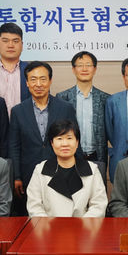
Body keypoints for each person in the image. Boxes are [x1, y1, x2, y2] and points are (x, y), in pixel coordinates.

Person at [9, 61, 78, 216]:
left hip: (61, 171)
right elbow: (14, 146)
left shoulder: (65, 108)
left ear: (50, 80)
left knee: (61, 215)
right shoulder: (18, 111)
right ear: (27, 83)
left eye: (43, 79)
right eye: (33, 79)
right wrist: (17, 176)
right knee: (32, 216)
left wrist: (76, 171)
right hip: (28, 173)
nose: (38, 84)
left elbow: (73, 140)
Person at [26, 120, 107, 217]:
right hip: (49, 225)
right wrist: (48, 225)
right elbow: (34, 207)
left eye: (69, 138)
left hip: (83, 225)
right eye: (59, 139)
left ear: (77, 142)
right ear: (52, 143)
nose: (65, 144)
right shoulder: (40, 170)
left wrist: (82, 225)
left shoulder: (92, 169)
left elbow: (98, 206)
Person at [56, 51, 110, 178]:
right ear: (73, 69)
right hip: (69, 156)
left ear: (95, 69)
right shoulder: (62, 98)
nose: (84, 69)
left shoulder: (105, 99)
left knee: (97, 190)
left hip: (97, 157)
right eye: (80, 65)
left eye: (88, 65)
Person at [0, 22, 29, 115]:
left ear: (22, 45)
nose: (10, 45)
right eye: (5, 41)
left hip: (25, 123)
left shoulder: (32, 71)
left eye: (15, 41)